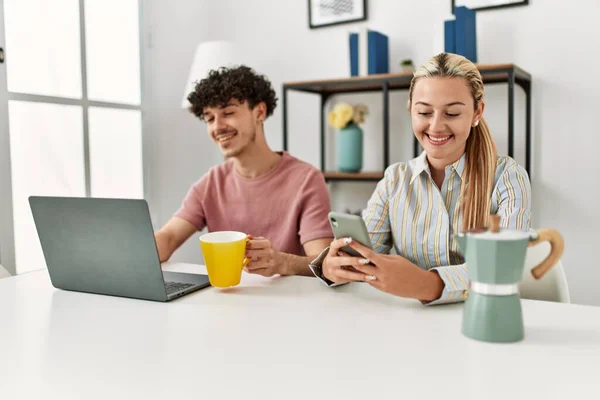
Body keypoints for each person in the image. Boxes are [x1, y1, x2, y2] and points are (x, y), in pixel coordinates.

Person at [310, 53, 532, 305]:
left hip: (484, 321)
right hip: (413, 327)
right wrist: (334, 267)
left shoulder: (508, 177)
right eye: (424, 112)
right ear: (411, 110)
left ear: (477, 112)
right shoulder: (395, 180)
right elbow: (365, 255)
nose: (436, 126)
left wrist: (426, 284)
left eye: (452, 113)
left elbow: (502, 267)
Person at [155, 65, 333, 277]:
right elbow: (169, 237)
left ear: (259, 112)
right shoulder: (211, 183)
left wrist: (282, 262)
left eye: (228, 113)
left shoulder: (306, 180)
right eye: (209, 118)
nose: (217, 127)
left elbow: (324, 263)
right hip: (227, 301)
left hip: (288, 303)